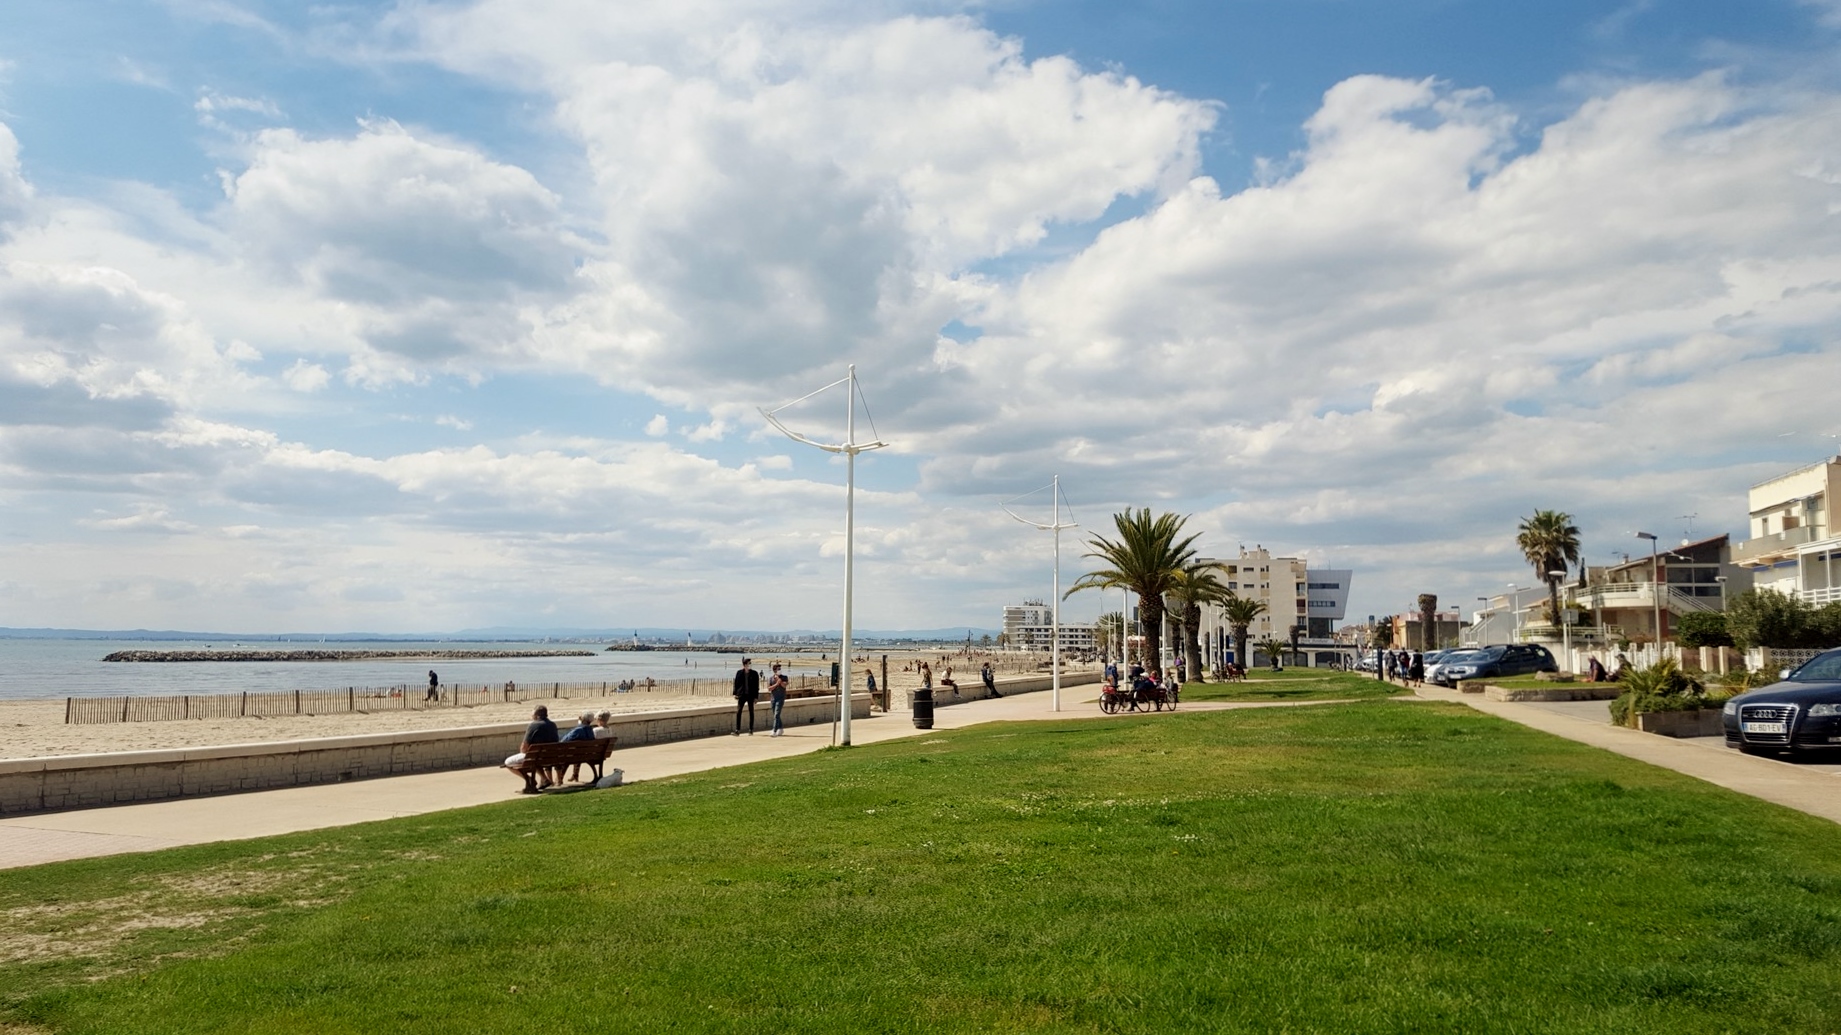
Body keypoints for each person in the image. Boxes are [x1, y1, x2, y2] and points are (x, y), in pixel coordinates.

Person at [503, 705, 560, 792]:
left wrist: (524, 751)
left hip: (536, 757)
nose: (531, 716)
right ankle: (544, 779)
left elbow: (524, 748)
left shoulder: (533, 725)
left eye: (532, 714)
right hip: (550, 757)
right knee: (534, 757)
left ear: (537, 715)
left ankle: (530, 780)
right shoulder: (553, 725)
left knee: (508, 762)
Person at [561, 710, 597, 782]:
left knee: (568, 756)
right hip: (587, 754)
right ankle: (575, 775)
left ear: (582, 718)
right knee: (578, 752)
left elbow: (564, 740)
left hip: (575, 754)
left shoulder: (578, 730)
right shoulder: (590, 730)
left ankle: (559, 778)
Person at [732, 658, 761, 735]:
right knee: (739, 711)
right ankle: (737, 730)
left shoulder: (754, 673)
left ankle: (751, 729)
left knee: (751, 711)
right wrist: (735, 694)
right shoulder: (739, 673)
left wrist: (756, 697)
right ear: (745, 665)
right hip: (742, 695)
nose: (750, 665)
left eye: (750, 663)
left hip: (751, 695)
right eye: (749, 663)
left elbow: (756, 686)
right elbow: (736, 683)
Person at [765, 662, 790, 736]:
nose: (780, 670)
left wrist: (780, 680)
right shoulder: (771, 678)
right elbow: (769, 688)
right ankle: (780, 728)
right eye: (778, 669)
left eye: (780, 669)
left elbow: (784, 685)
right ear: (775, 670)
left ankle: (774, 730)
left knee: (776, 714)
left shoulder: (784, 677)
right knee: (776, 715)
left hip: (780, 698)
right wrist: (776, 684)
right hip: (773, 698)